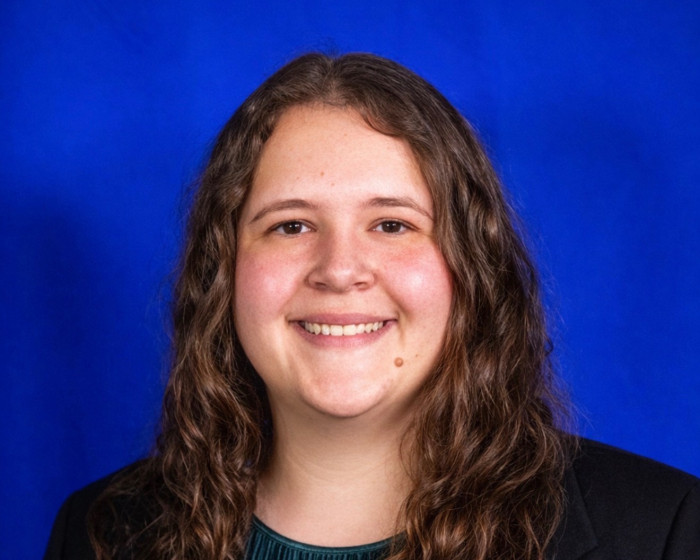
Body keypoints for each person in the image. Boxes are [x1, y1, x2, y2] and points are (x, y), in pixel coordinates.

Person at [44, 53, 699, 560]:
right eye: (291, 225)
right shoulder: (100, 534)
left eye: (392, 224)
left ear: (470, 267)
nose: (339, 270)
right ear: (224, 273)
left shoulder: (661, 530)